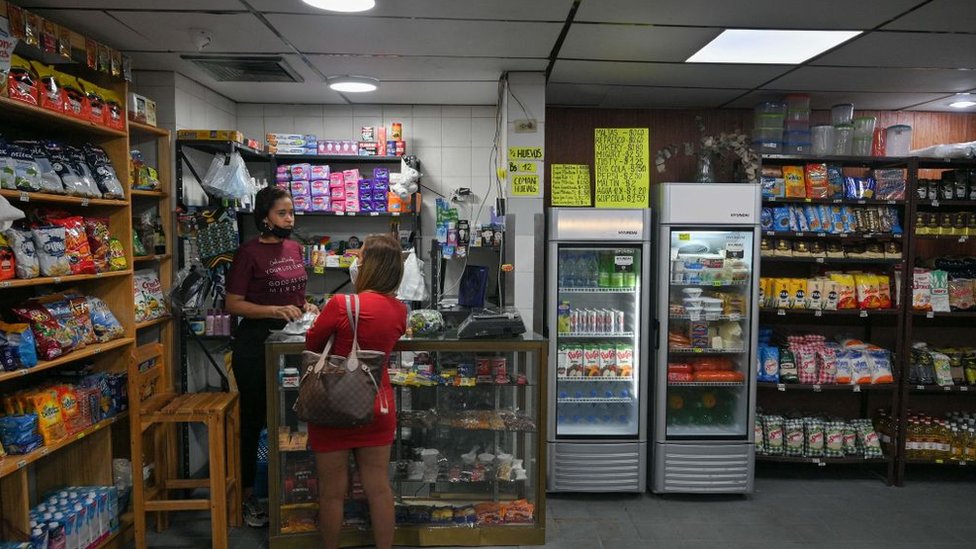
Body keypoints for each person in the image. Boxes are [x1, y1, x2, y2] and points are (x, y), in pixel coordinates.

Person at [305, 233, 406, 549]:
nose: (356, 262)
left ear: (370, 266)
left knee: (332, 490)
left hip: (332, 404)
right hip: (377, 405)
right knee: (379, 488)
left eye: (360, 257)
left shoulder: (340, 304)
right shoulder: (400, 311)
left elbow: (313, 343)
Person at [225, 185, 318, 527]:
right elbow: (233, 304)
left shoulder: (294, 248)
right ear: (264, 218)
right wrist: (272, 310)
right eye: (282, 213)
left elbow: (297, 296)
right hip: (255, 347)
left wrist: (304, 305)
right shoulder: (247, 253)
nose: (289, 218)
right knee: (254, 421)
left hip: (290, 345)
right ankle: (250, 496)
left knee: (292, 418)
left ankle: (292, 492)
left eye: (291, 212)